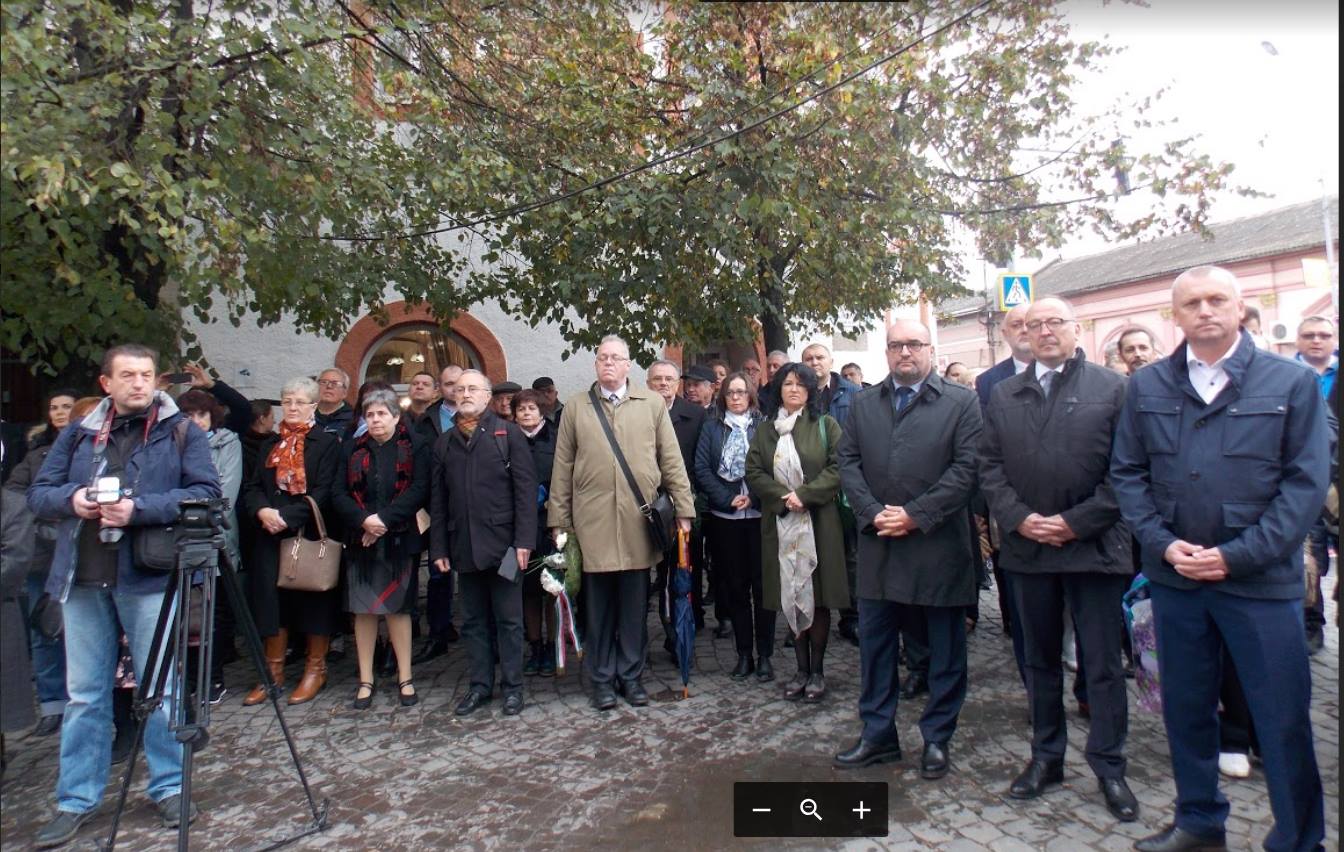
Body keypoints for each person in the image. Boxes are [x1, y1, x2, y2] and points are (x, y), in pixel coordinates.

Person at [1111, 265, 1330, 852]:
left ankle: (1298, 838)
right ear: (1174, 316)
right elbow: (1128, 474)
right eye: (1192, 303)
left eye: (1216, 300)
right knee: (1186, 710)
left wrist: (1236, 556)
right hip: (1176, 579)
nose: (1205, 311)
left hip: (1259, 584)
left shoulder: (1290, 383)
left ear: (1240, 307)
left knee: (1280, 719)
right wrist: (1161, 543)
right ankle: (1199, 821)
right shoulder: (1148, 385)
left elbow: (1305, 485)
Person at [26, 344, 221, 848]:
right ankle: (76, 800)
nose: (140, 383)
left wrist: (139, 509)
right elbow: (38, 492)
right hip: (83, 575)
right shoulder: (79, 432)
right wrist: (72, 499)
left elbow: (204, 493)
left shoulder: (180, 431)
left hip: (148, 575)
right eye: (129, 375)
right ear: (106, 382)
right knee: (85, 696)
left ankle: (171, 786)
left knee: (162, 690)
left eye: (148, 375)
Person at [977, 298, 1139, 821]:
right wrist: (1020, 518)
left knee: (1102, 664)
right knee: (1039, 661)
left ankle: (1110, 767)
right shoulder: (1003, 393)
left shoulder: (1113, 389)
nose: (1043, 332)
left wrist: (1075, 522)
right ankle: (1047, 758)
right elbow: (989, 467)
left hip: (1094, 550)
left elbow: (1129, 470)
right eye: (1032, 324)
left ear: (1076, 329)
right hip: (1028, 551)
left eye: (1054, 323)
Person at [831, 321, 980, 781]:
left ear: (930, 350)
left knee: (943, 649)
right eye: (896, 345)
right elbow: (848, 462)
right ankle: (878, 734)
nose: (905, 353)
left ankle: (937, 737)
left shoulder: (961, 401)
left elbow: (967, 468)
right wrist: (874, 512)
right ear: (887, 352)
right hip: (879, 546)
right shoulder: (864, 403)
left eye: (914, 344)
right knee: (875, 648)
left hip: (937, 546)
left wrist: (916, 513)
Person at [547, 336, 695, 711]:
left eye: (616, 358)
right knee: (597, 609)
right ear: (596, 364)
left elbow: (671, 459)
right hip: (592, 523)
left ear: (629, 365)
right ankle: (601, 680)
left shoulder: (651, 405)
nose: (609, 364)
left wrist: (684, 510)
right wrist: (559, 521)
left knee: (633, 608)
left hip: (636, 523)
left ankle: (631, 677)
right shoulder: (578, 407)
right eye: (602, 358)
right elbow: (562, 467)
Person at [430, 370, 537, 716]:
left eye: (472, 388)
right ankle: (479, 685)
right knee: (473, 621)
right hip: (463, 547)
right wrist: (439, 548)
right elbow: (439, 500)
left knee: (509, 619)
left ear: (488, 395)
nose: (465, 394)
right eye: (459, 389)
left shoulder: (508, 435)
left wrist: (524, 542)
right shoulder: (445, 442)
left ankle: (512, 687)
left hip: (506, 547)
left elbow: (524, 492)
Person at [745, 363, 847, 703]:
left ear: (810, 390)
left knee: (815, 597)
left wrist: (805, 494)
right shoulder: (765, 431)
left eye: (800, 384)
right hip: (780, 522)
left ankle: (817, 671)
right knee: (789, 593)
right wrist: (781, 498)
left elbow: (839, 466)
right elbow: (754, 471)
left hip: (819, 524)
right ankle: (800, 670)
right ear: (778, 389)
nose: (793, 389)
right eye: (787, 384)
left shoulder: (825, 425)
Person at [240, 375, 343, 706]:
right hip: (270, 533)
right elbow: (253, 486)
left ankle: (316, 669)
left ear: (313, 406)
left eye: (300, 401)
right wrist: (263, 512)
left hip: (308, 532)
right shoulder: (271, 444)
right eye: (287, 401)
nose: (293, 407)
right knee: (272, 603)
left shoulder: (325, 444)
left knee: (313, 602)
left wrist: (289, 516)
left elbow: (325, 491)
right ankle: (273, 672)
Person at [333, 389, 429, 710]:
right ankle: (365, 679)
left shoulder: (414, 446)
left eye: (381, 414)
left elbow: (418, 489)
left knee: (398, 610)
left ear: (395, 416)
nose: (374, 420)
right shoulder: (350, 449)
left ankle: (405, 677)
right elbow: (338, 494)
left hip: (399, 538)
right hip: (361, 539)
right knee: (364, 612)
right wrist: (364, 521)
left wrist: (383, 521)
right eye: (369, 414)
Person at [695, 373, 773, 682]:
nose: (737, 398)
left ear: (751, 395)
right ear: (723, 397)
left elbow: (775, 466)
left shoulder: (765, 427)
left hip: (759, 517)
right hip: (726, 519)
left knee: (763, 588)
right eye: (731, 393)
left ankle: (764, 654)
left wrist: (753, 497)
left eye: (742, 392)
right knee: (736, 588)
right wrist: (728, 499)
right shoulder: (712, 427)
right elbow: (701, 467)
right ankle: (744, 654)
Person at [973, 302, 1033, 681]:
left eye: (1034, 322)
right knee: (1020, 589)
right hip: (1010, 502)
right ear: (1006, 333)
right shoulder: (991, 381)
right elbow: (986, 447)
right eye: (1017, 324)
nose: (1028, 329)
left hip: (1074, 512)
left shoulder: (1094, 380)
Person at [14, 389, 79, 736]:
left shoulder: (88, 448)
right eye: (53, 407)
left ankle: (80, 698)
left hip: (79, 552)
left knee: (80, 630)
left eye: (66, 406)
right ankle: (53, 704)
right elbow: (16, 493)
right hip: (42, 552)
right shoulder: (36, 454)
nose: (59, 412)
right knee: (44, 629)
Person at [175, 390, 244, 703]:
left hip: (214, 539)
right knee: (181, 615)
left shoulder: (227, 443)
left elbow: (225, 495)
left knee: (209, 615)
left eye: (201, 415)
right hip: (176, 541)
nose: (195, 422)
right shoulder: (171, 446)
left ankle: (211, 679)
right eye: (188, 416)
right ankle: (186, 679)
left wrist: (195, 518)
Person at [800, 343, 863, 646]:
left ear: (831, 361)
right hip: (810, 489)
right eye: (808, 359)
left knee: (849, 553)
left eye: (819, 357)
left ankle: (852, 617)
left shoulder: (853, 394)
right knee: (809, 553)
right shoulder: (799, 396)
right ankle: (808, 617)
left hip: (847, 484)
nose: (814, 363)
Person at [648, 360, 709, 639]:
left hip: (684, 502)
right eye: (657, 379)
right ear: (649, 384)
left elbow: (701, 458)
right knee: (659, 571)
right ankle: (665, 622)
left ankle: (687, 626)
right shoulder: (638, 413)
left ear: (677, 384)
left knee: (687, 566)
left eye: (669, 379)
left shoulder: (696, 415)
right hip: (648, 503)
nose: (663, 384)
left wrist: (687, 494)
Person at [411, 364, 463, 662]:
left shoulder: (481, 417)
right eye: (447, 384)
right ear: (439, 389)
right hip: (436, 508)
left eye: (458, 383)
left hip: (470, 507)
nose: (454, 389)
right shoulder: (426, 422)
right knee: (438, 573)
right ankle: (439, 633)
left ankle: (476, 629)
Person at [1295, 315, 1338, 655]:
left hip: (1334, 479)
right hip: (1301, 480)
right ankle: (1311, 623)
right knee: (1309, 551)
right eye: (1309, 335)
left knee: (1320, 555)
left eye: (1324, 335)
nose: (1316, 340)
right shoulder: (1287, 375)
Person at [513, 390, 558, 676]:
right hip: (519, 526)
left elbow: (567, 475)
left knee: (552, 588)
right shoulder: (507, 438)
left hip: (550, 523)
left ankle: (553, 645)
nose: (526, 413)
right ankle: (536, 645)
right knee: (528, 591)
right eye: (521, 409)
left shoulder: (556, 437)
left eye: (531, 408)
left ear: (542, 411)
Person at [314, 368, 355, 437]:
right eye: (324, 382)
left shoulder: (353, 420)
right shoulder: (305, 415)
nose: (329, 386)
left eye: (335, 383)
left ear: (345, 393)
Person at [759, 350, 789, 417]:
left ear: (786, 369)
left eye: (776, 366)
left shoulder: (794, 392)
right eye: (768, 366)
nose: (771, 370)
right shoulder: (759, 397)